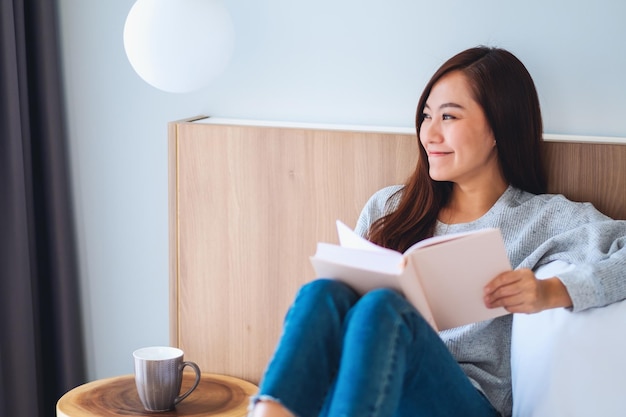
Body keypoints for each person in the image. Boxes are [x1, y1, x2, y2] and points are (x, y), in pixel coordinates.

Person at [247, 46, 626, 417]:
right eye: (427, 116)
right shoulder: (389, 207)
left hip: (465, 401)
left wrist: (552, 292)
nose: (429, 134)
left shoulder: (545, 219)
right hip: (367, 391)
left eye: (448, 117)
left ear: (498, 128)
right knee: (322, 292)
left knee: (385, 307)